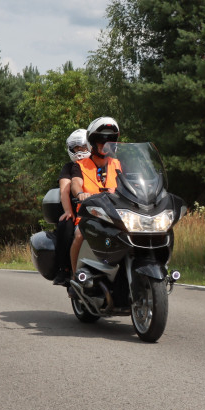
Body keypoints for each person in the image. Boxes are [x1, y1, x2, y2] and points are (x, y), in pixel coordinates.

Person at [69, 117, 122, 276]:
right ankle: (76, 276)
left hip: (116, 215)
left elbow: (131, 183)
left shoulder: (118, 163)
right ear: (92, 142)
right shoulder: (80, 165)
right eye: (101, 140)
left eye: (110, 140)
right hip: (90, 214)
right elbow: (75, 183)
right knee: (79, 235)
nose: (106, 144)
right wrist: (80, 193)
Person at [52, 129, 90, 285]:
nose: (79, 150)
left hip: (100, 209)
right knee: (65, 225)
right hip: (76, 208)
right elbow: (65, 190)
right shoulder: (69, 167)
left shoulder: (99, 165)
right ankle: (65, 269)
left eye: (82, 146)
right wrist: (68, 210)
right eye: (75, 147)